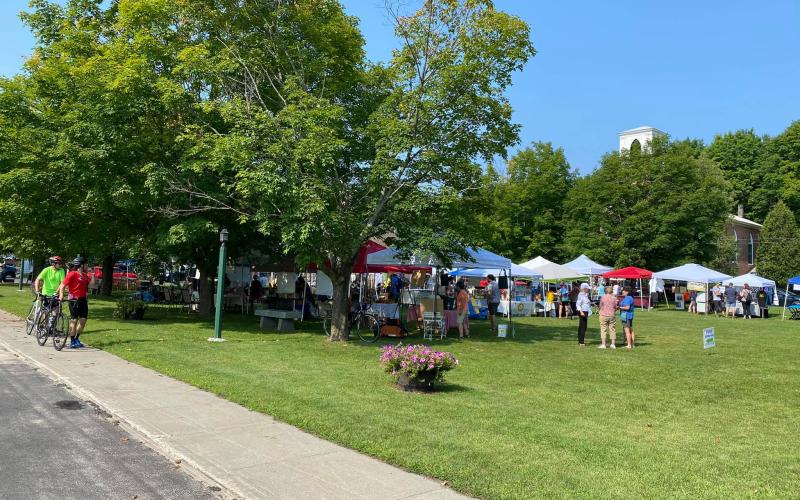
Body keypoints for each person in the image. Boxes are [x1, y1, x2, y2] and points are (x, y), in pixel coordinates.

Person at [58, 257, 91, 348]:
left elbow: (93, 285)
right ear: (81, 265)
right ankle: (72, 340)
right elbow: (63, 285)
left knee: (83, 320)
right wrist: (61, 295)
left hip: (83, 300)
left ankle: (76, 338)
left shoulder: (85, 275)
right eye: (86, 264)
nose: (87, 266)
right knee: (74, 320)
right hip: (74, 300)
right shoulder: (72, 274)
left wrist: (91, 274)